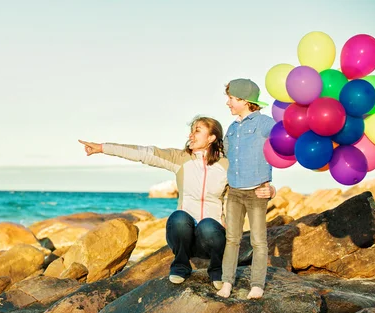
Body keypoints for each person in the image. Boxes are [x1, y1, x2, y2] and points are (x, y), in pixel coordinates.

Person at [79, 116, 229, 289]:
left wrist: (266, 190)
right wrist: (103, 148)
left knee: (209, 225)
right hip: (183, 238)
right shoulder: (180, 159)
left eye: (197, 130)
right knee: (178, 217)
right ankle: (181, 265)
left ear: (211, 138)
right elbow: (144, 153)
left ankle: (217, 269)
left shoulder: (226, 165)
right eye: (191, 130)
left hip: (210, 238)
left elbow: (238, 195)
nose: (191, 135)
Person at [216, 78, 276, 300]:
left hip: (257, 192)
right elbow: (225, 159)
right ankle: (227, 283)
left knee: (258, 241)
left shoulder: (264, 124)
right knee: (232, 239)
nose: (228, 103)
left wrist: (271, 186)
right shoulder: (232, 128)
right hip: (234, 193)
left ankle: (257, 284)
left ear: (244, 100)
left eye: (231, 98)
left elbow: (284, 144)